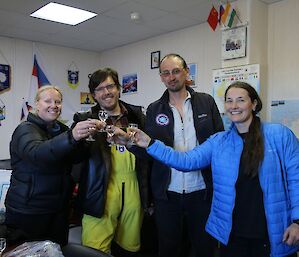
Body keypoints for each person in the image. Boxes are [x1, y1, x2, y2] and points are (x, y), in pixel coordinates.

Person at [117, 81, 299, 257]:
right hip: (232, 234)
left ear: (253, 104)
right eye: (229, 100)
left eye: (241, 100)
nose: (234, 105)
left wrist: (298, 222)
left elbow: (297, 179)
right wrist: (149, 143)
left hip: (273, 232)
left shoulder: (279, 135)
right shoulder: (219, 141)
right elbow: (185, 161)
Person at [129, 53, 224, 257]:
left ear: (186, 72)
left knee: (204, 247)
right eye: (166, 73)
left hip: (202, 191)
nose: (171, 77)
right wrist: (129, 143)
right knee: (169, 248)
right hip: (167, 194)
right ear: (161, 77)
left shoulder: (206, 102)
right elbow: (149, 150)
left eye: (175, 71)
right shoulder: (154, 109)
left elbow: (220, 144)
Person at [5, 85, 97, 246]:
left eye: (58, 101)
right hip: (29, 210)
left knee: (57, 250)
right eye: (48, 101)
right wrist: (72, 136)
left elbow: (76, 158)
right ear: (36, 105)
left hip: (58, 208)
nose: (54, 105)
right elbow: (38, 154)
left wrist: (86, 138)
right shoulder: (25, 129)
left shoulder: (61, 129)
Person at [73, 68, 150, 256]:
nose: (106, 92)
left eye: (110, 86)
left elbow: (150, 153)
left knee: (129, 247)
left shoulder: (138, 115)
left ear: (118, 88)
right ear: (94, 95)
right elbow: (74, 157)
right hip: (99, 189)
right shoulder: (84, 119)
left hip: (134, 188)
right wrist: (78, 138)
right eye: (99, 89)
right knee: (94, 249)